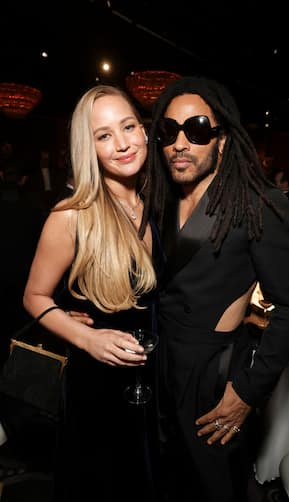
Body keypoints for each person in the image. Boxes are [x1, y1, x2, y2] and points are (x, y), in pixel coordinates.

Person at [145, 76, 289, 501]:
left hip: (212, 373)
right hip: (155, 363)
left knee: (216, 485)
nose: (180, 143)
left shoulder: (259, 204)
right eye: (168, 131)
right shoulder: (156, 198)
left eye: (197, 129)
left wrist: (247, 393)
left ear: (222, 138)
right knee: (164, 480)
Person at [22, 85, 163, 501]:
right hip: (98, 385)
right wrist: (88, 337)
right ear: (90, 147)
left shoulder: (157, 205)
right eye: (104, 135)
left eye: (128, 127)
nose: (121, 144)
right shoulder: (72, 215)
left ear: (144, 130)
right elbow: (33, 296)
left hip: (151, 378)